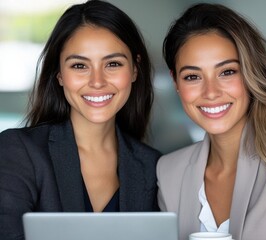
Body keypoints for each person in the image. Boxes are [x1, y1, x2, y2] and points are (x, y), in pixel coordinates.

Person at [0, 0, 161, 239]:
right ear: (59, 75)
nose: (97, 81)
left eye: (113, 64)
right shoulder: (17, 151)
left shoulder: (154, 167)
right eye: (79, 65)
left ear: (135, 70)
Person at [157, 3, 266, 240]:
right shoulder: (169, 171)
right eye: (192, 76)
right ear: (175, 82)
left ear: (251, 72)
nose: (210, 92)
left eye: (227, 72)